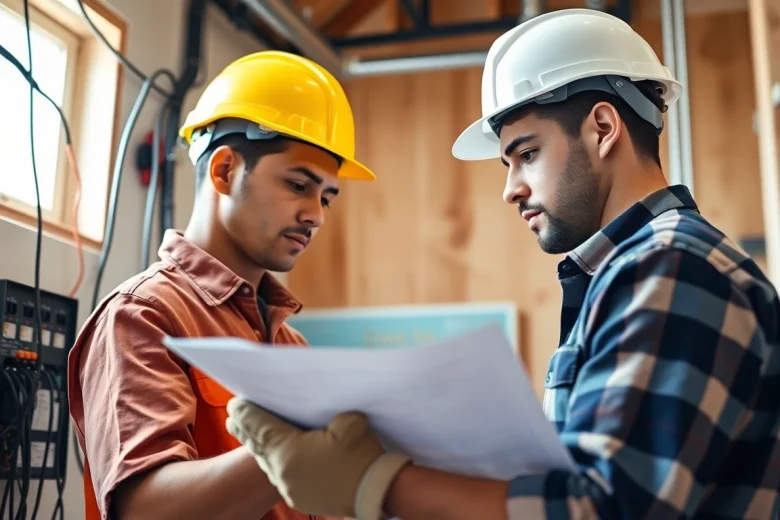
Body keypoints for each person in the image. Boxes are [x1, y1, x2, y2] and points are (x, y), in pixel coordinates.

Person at [224, 9, 780, 520]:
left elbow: (607, 508)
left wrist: (375, 482)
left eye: (528, 154)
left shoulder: (670, 266)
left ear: (603, 128)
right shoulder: (634, 273)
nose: (511, 190)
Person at [67, 50, 376, 520]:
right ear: (225, 170)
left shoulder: (292, 346)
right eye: (298, 185)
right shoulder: (143, 316)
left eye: (326, 198)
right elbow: (145, 510)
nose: (315, 214)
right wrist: (292, 448)